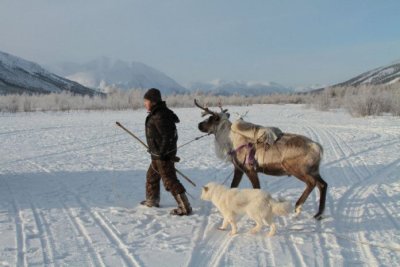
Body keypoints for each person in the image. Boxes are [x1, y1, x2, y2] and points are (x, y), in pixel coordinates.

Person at [140, 88, 192, 216]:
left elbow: (168, 136)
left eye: (146, 101)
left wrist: (162, 153)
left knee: (169, 180)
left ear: (152, 101)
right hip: (157, 154)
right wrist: (153, 148)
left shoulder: (160, 115)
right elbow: (158, 136)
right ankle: (152, 200)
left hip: (163, 156)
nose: (144, 103)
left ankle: (185, 207)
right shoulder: (157, 113)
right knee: (151, 177)